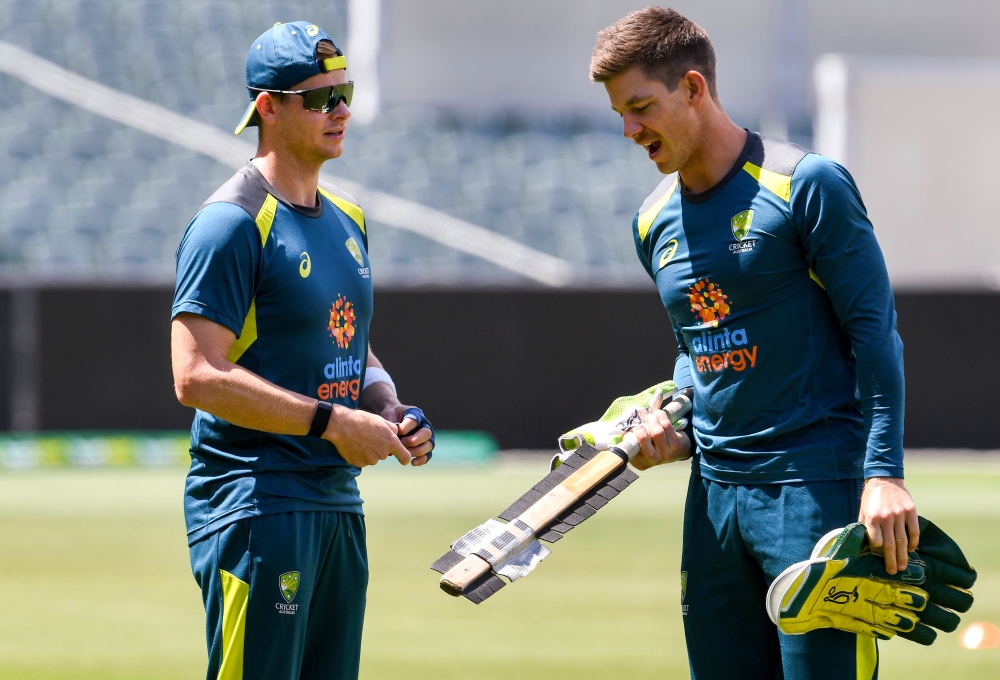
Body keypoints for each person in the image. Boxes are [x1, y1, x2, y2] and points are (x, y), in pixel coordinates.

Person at [590, 8, 916, 679]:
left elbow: (876, 337)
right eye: (619, 113)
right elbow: (695, 351)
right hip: (714, 503)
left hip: (816, 492)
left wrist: (883, 473)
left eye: (641, 107)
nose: (629, 130)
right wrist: (673, 427)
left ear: (692, 88)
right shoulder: (652, 222)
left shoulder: (806, 185)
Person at [170, 21, 433, 680]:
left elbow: (353, 347)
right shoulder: (229, 223)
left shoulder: (350, 220)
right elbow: (196, 375)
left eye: (343, 92)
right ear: (268, 107)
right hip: (259, 508)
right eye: (319, 99)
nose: (341, 111)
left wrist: (388, 406)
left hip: (338, 506)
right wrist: (333, 423)